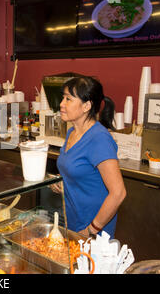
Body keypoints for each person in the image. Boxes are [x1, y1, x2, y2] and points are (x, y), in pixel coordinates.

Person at [54, 76, 126, 239]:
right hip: (73, 221)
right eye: (63, 98)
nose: (61, 104)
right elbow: (78, 172)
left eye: (68, 99)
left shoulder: (99, 138)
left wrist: (91, 229)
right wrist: (61, 182)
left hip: (93, 229)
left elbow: (118, 193)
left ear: (86, 106)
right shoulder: (72, 132)